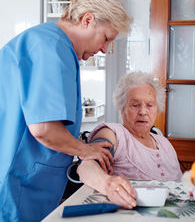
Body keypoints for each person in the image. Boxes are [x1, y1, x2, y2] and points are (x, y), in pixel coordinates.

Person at [0, 0, 132, 221]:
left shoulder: (47, 41)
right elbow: (44, 129)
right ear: (87, 20)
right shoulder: (51, 48)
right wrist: (86, 150)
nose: (105, 49)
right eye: (106, 38)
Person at [77, 72, 182, 209]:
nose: (143, 112)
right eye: (135, 105)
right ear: (122, 108)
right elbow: (86, 166)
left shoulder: (164, 143)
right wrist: (107, 185)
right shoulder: (113, 133)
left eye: (150, 105)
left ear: (158, 109)